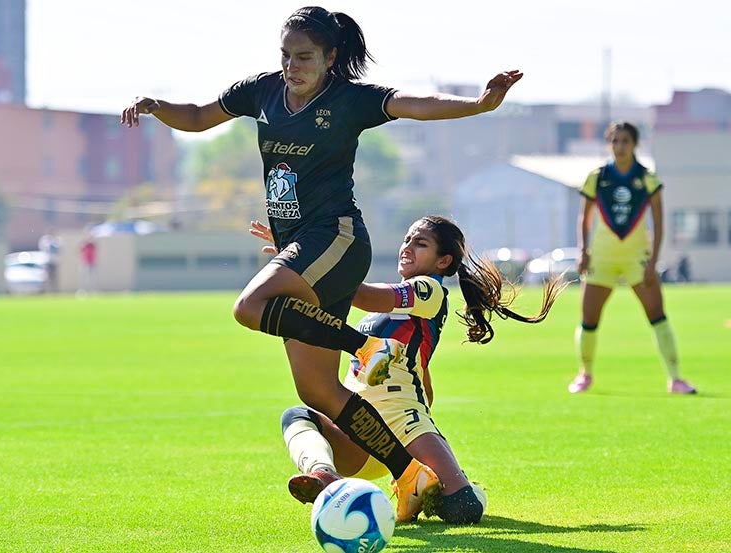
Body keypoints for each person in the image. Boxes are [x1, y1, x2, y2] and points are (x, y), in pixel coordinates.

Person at [121, 6, 523, 514]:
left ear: (331, 58)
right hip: (303, 245)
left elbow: (416, 104)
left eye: (305, 57)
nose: (293, 66)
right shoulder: (262, 91)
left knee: (248, 307)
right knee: (317, 391)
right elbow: (200, 117)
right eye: (286, 56)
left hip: (336, 237)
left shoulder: (350, 100)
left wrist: (481, 104)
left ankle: (364, 347)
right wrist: (158, 105)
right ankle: (408, 474)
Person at [251, 216, 565, 524]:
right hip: (357, 427)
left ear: (443, 261)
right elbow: (422, 372)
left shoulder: (431, 290)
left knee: (463, 508)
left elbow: (365, 295)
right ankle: (325, 475)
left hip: (405, 424)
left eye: (420, 243)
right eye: (407, 240)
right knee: (297, 415)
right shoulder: (403, 305)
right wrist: (298, 259)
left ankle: (445, 484)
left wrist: (300, 258)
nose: (408, 246)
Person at [569, 122, 697, 395]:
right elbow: (584, 217)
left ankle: (675, 379)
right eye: (615, 141)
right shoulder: (598, 177)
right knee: (589, 319)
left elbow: (660, 222)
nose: (620, 146)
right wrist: (583, 251)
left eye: (625, 141)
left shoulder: (647, 178)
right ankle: (585, 374)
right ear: (609, 144)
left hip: (636, 257)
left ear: (635, 144)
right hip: (602, 257)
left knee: (658, 316)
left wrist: (653, 260)